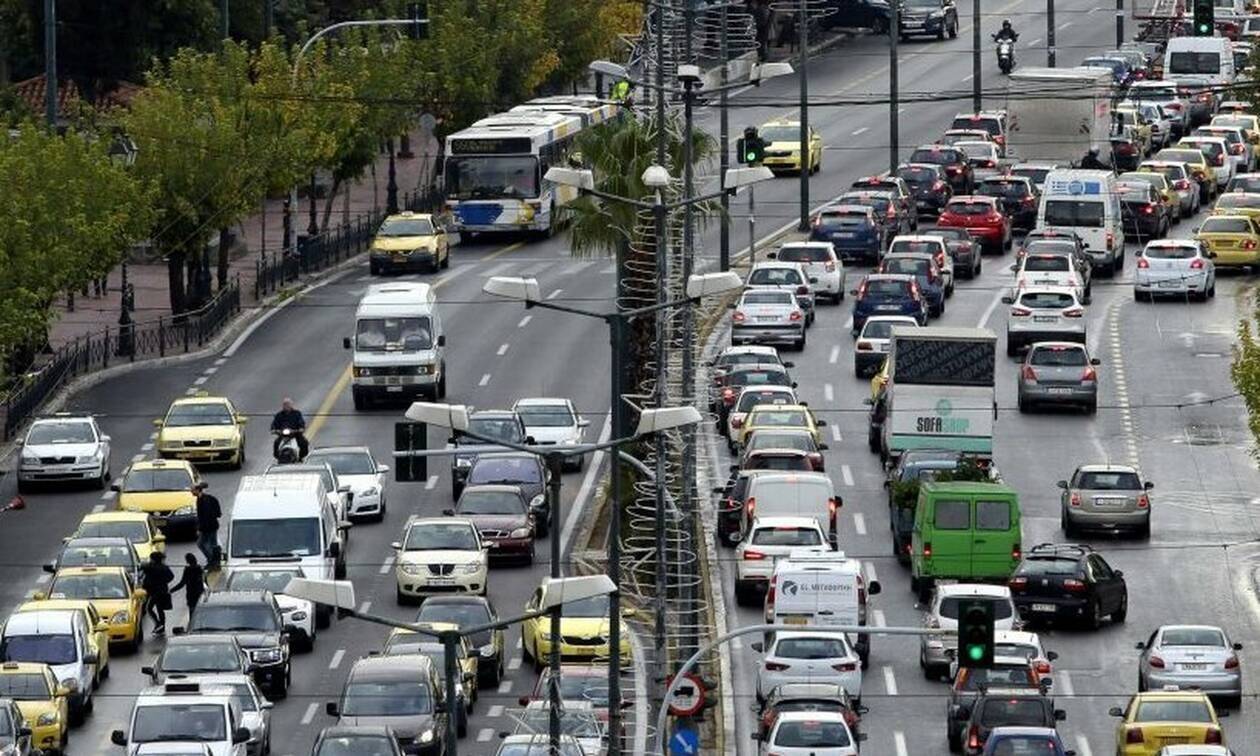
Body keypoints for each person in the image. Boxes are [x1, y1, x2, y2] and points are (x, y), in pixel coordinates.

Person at [141, 552, 174, 635]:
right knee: (160, 610)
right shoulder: (164, 567)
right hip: (163, 591)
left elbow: (143, 567)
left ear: (153, 559)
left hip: (154, 592)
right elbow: (171, 576)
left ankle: (158, 624)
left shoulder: (150, 567)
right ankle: (162, 627)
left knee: (149, 608)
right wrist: (163, 582)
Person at [193, 482, 222, 571]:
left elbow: (204, 516)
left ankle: (212, 561)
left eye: (192, 490)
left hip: (208, 527)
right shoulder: (207, 498)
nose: (191, 492)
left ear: (198, 490)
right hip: (213, 525)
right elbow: (218, 514)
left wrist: (200, 529)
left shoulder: (203, 500)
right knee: (213, 544)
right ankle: (215, 561)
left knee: (201, 543)